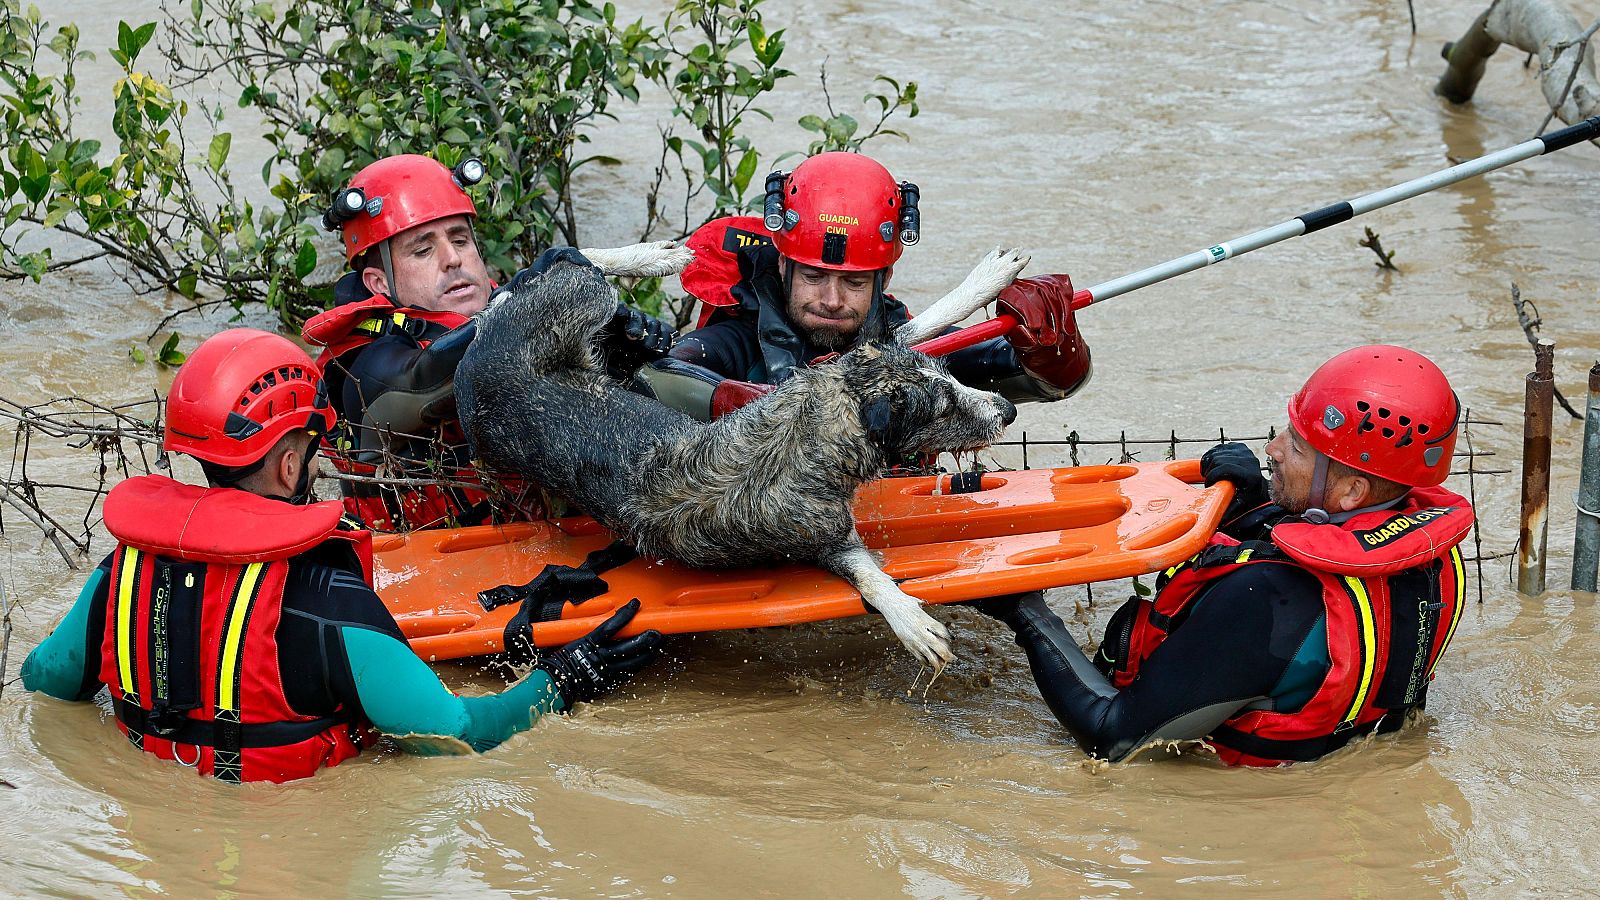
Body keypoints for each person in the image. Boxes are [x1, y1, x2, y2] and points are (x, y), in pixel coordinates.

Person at [21, 329, 663, 783]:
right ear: (291, 461)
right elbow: (456, 737)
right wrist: (563, 681)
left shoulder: (119, 575)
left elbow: (42, 683)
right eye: (312, 445)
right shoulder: (329, 601)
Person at [970, 345, 1474, 766]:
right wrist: (1255, 504)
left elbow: (1114, 739)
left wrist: (1026, 612)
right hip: (1348, 753)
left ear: (1350, 493)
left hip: (1247, 796)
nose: (1272, 448)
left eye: (1297, 448)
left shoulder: (1265, 599)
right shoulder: (1434, 551)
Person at [300, 154, 675, 530]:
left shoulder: (510, 308)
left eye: (460, 240)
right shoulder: (365, 365)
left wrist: (614, 359)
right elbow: (430, 378)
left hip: (538, 538)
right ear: (380, 284)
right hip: (430, 558)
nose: (452, 259)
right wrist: (528, 298)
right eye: (423, 250)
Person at [643, 151, 1093, 420]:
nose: (832, 300)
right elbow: (657, 376)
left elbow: (1048, 384)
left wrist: (1052, 347)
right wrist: (741, 401)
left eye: (854, 282)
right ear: (784, 267)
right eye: (814, 277)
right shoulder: (735, 341)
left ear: (885, 278)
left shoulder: (912, 346)